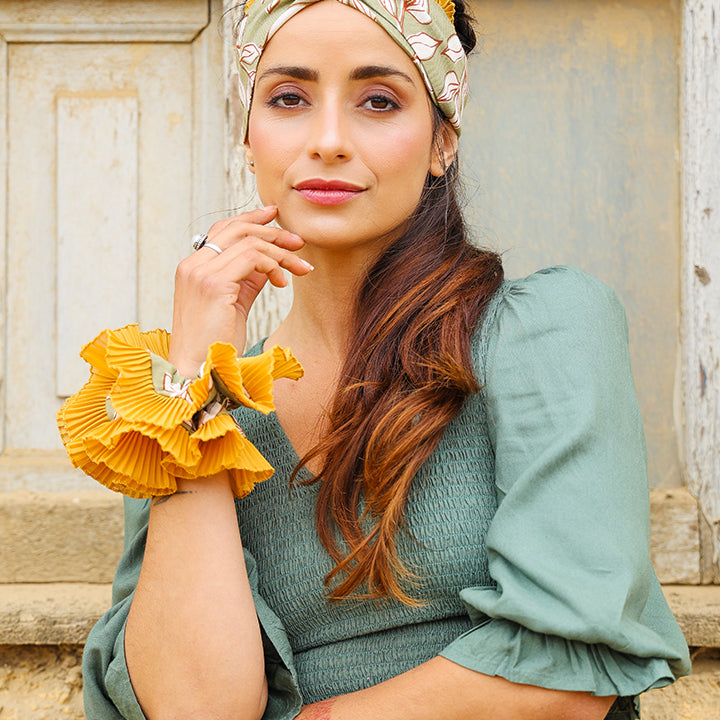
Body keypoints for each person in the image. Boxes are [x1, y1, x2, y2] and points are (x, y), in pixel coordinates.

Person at [61, 0, 691, 718]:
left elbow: (567, 677)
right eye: (290, 98)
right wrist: (197, 382)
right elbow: (194, 709)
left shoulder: (542, 331)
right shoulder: (184, 406)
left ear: (441, 143)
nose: (327, 140)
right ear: (249, 137)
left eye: (379, 100)